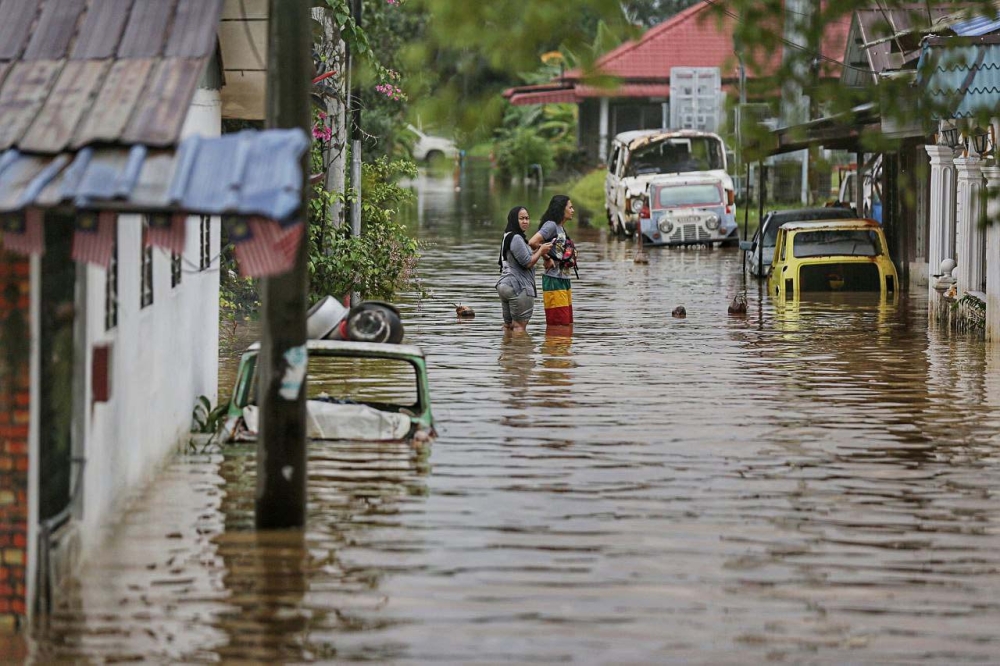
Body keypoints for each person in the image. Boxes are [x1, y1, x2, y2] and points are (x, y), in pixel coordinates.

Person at [496, 206, 551, 333]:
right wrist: (541, 250)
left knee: (508, 326)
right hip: (518, 286)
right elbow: (527, 262)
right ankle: (519, 352)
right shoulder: (516, 238)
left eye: (527, 218)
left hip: (505, 285)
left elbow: (524, 257)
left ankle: (506, 351)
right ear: (514, 220)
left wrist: (541, 252)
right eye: (521, 218)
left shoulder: (508, 236)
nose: (525, 221)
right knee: (519, 327)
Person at [529, 195, 576, 326]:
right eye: (570, 207)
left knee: (566, 324)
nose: (573, 210)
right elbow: (533, 242)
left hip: (564, 280)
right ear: (561, 209)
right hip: (554, 280)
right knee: (559, 324)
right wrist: (546, 257)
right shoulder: (551, 225)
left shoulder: (561, 228)